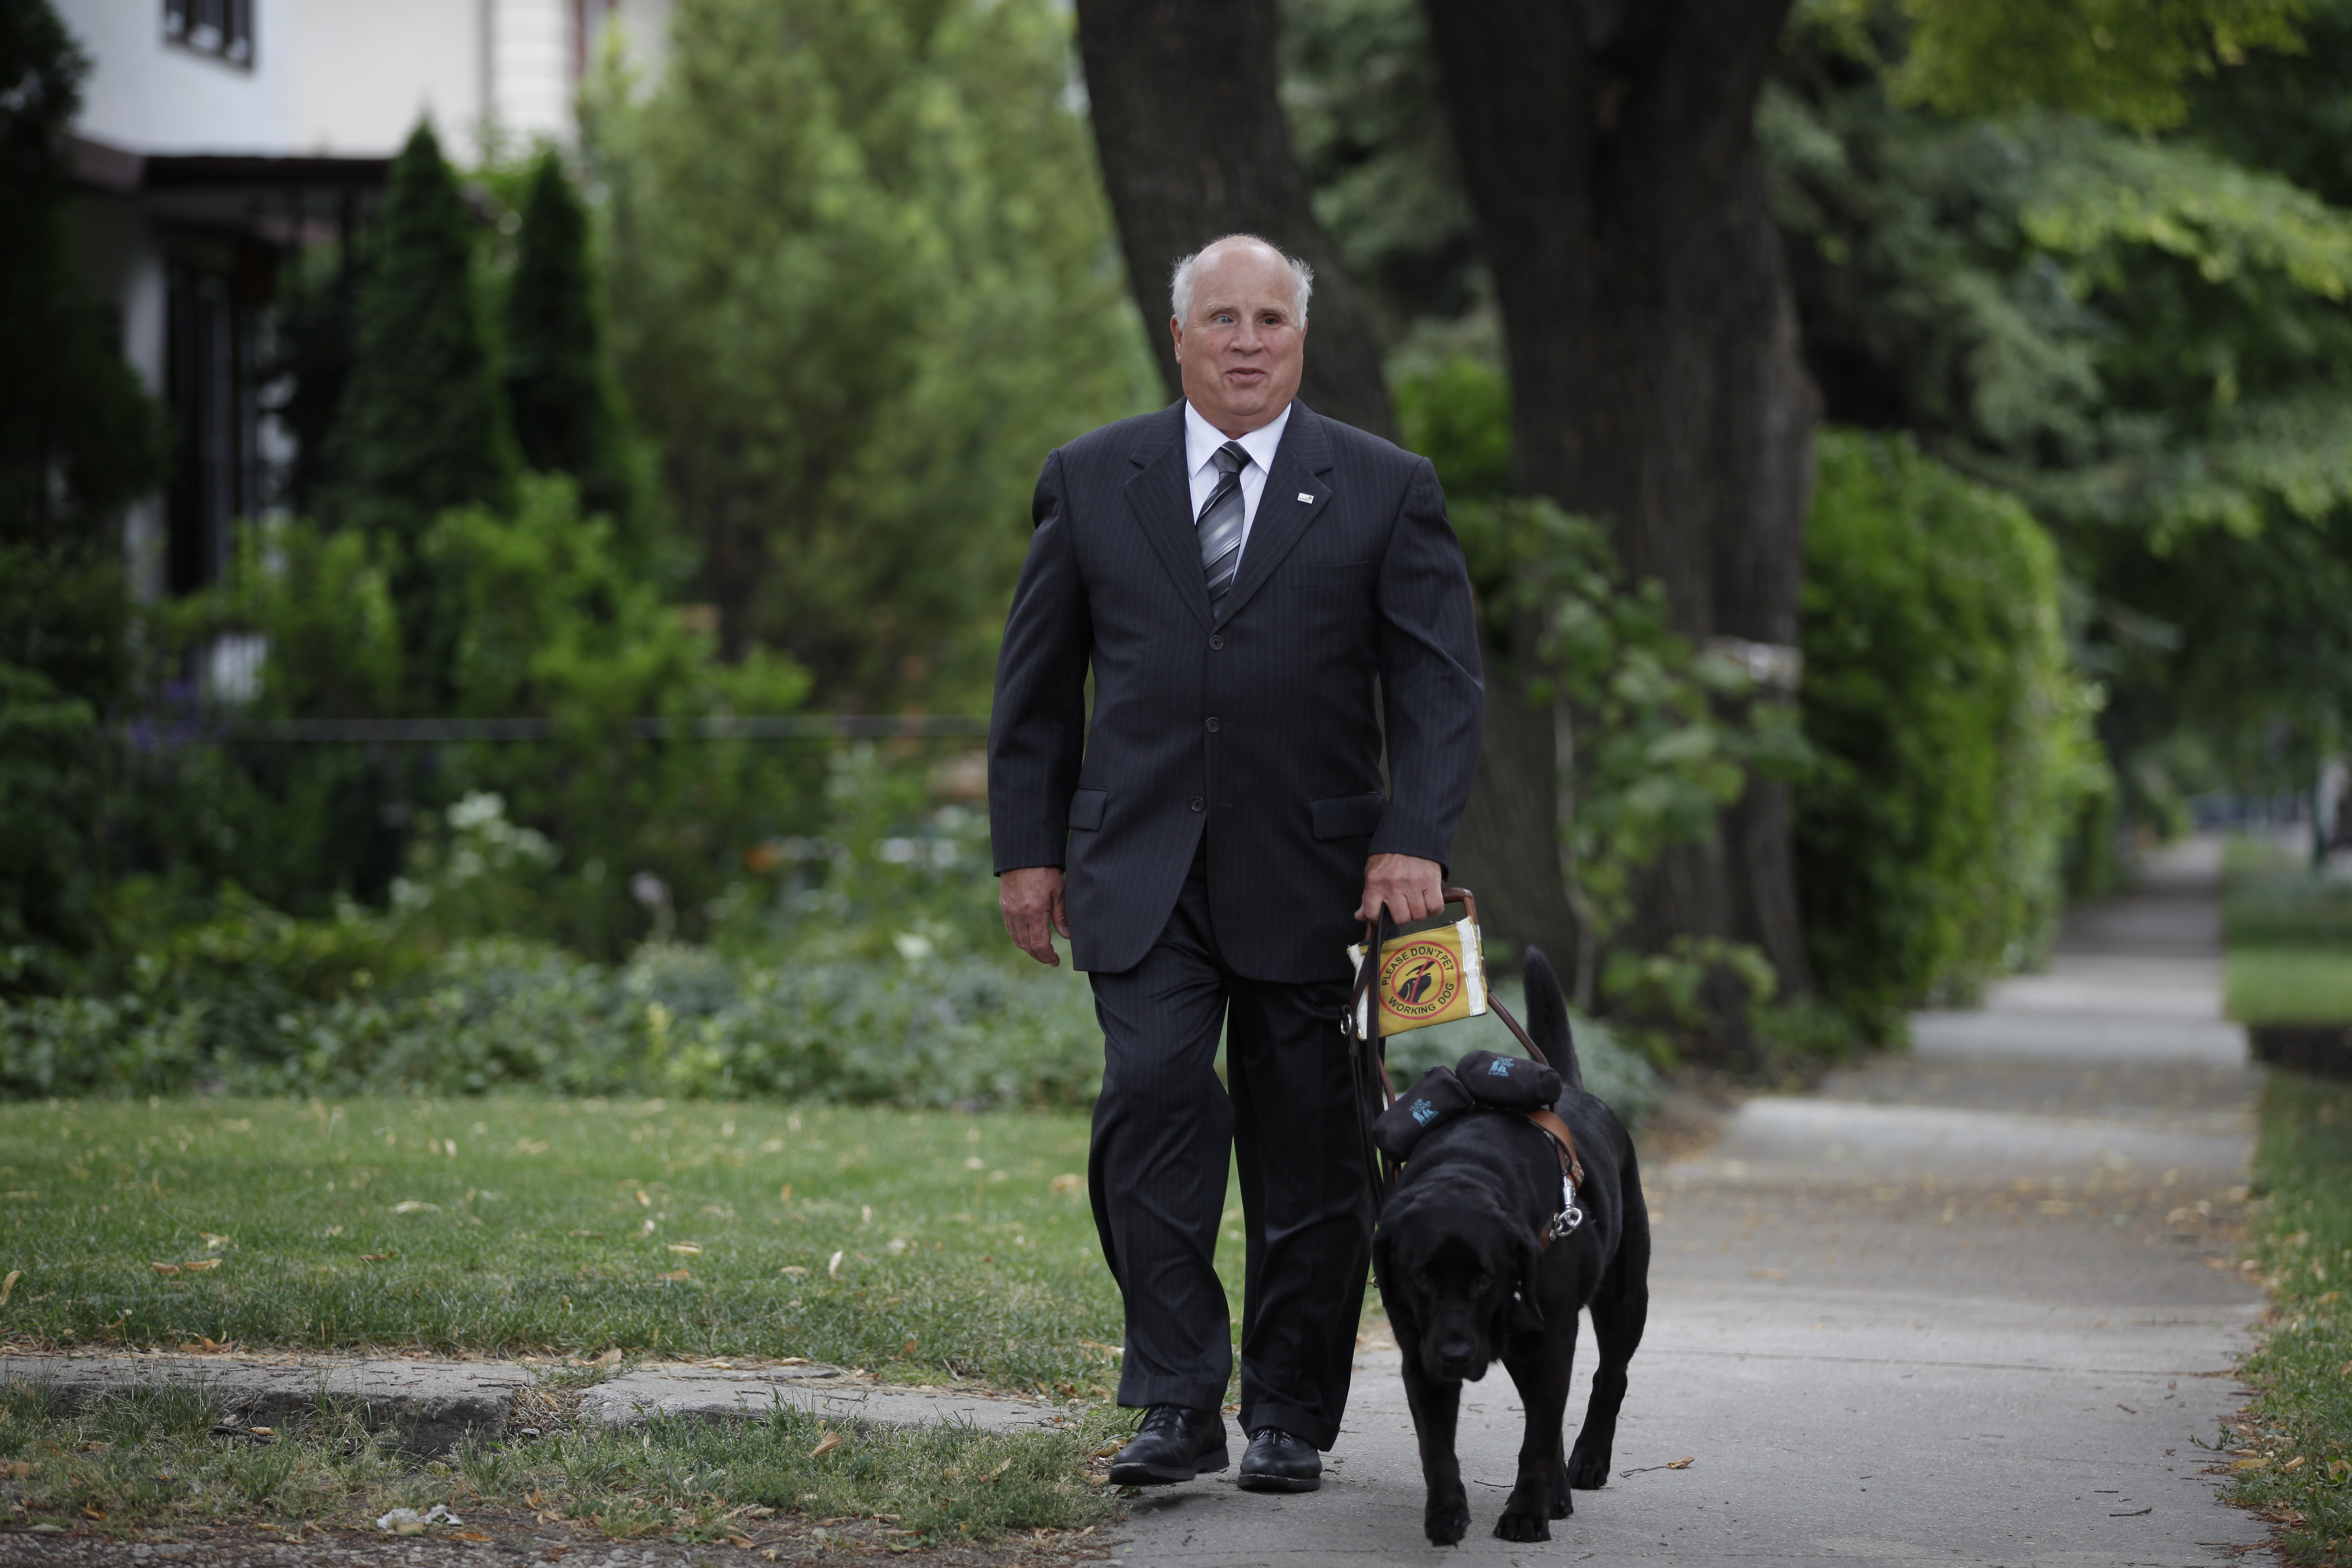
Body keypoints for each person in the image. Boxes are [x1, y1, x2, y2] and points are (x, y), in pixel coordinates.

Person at [987, 234, 1483, 1493]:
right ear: (1180, 337)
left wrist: (1413, 834)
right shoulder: (1093, 480)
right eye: (1224, 320)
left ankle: (1290, 1415)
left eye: (1271, 319)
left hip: (1323, 879)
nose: (1248, 340)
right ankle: (1173, 1400)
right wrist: (1027, 855)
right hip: (1139, 869)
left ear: (1301, 339)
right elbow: (1037, 693)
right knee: (1152, 1106)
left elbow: (1439, 685)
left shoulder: (1383, 487)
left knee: (1309, 1151)